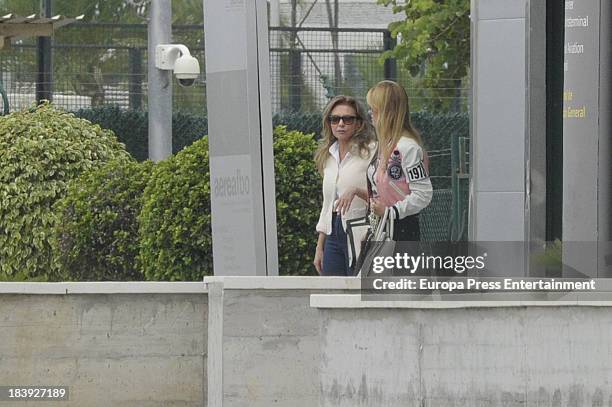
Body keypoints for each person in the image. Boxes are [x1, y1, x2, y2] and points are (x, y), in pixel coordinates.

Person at [314, 95, 376, 276]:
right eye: (335, 119)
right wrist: (320, 247)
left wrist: (356, 191)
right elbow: (327, 205)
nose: (341, 124)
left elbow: (382, 195)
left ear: (359, 123)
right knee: (331, 292)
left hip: (361, 230)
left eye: (347, 119)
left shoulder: (372, 151)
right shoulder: (328, 156)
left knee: (358, 292)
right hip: (333, 232)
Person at [366, 80, 433, 241]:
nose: (370, 114)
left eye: (374, 109)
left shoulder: (408, 147)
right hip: (383, 227)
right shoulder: (386, 145)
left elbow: (423, 194)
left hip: (402, 230)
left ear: (386, 112)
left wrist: (392, 211)